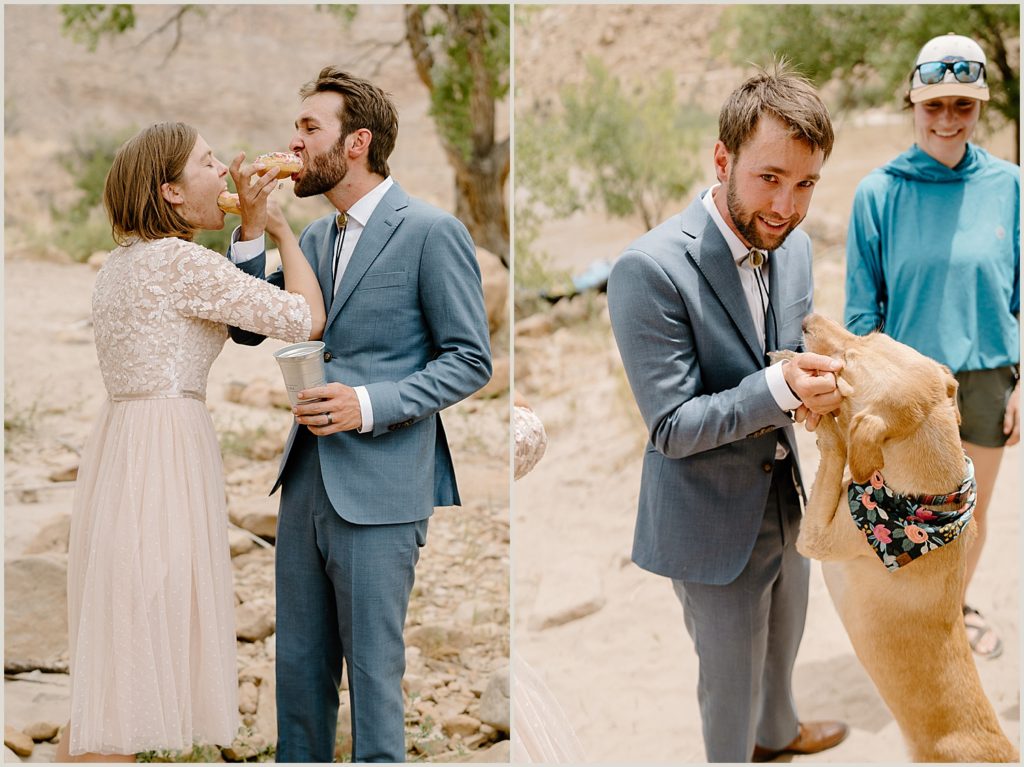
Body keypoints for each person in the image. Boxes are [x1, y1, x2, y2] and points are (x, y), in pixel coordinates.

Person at [226, 68, 492, 763]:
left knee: (375, 675)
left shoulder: (432, 231)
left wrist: (367, 404)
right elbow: (251, 329)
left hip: (384, 487)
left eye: (310, 128)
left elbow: (470, 359)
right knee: (300, 673)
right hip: (306, 479)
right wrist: (256, 227)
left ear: (357, 143)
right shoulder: (311, 241)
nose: (294, 139)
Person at [55, 122, 326, 762]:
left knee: (122, 639)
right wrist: (283, 230)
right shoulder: (180, 262)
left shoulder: (122, 264)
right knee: (149, 621)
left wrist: (248, 230)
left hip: (123, 448)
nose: (225, 174)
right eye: (208, 163)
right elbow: (300, 318)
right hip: (166, 456)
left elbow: (231, 317)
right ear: (172, 193)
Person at [607, 63, 849, 763]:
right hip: (709, 521)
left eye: (805, 184)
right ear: (722, 158)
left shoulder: (795, 246)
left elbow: (784, 358)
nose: (786, 205)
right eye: (769, 177)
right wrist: (778, 388)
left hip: (787, 501)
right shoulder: (647, 268)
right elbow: (672, 426)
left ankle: (780, 734)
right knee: (730, 687)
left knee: (785, 646)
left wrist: (811, 395)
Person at [844, 33, 1020, 660]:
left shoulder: (1011, 186)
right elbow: (863, 313)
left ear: (979, 109)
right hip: (908, 393)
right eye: (935, 105)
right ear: (913, 104)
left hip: (988, 377)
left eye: (963, 106)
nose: (948, 120)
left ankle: (953, 614)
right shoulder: (878, 193)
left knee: (970, 516)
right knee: (910, 519)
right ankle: (909, 624)